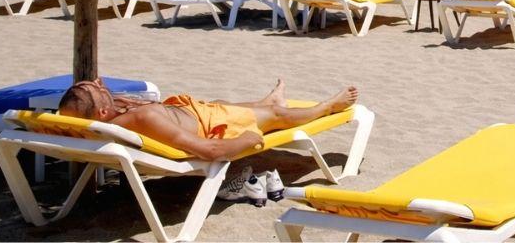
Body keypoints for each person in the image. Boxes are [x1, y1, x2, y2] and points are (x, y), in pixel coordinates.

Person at [57, 79, 357, 161]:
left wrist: (103, 95)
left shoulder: (104, 122)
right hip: (213, 128)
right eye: (98, 90)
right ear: (102, 113)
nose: (101, 85)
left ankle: (267, 102)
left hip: (200, 113)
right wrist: (246, 140)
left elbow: (84, 108)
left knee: (226, 105)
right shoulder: (142, 117)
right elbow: (208, 151)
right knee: (277, 117)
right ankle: (329, 105)